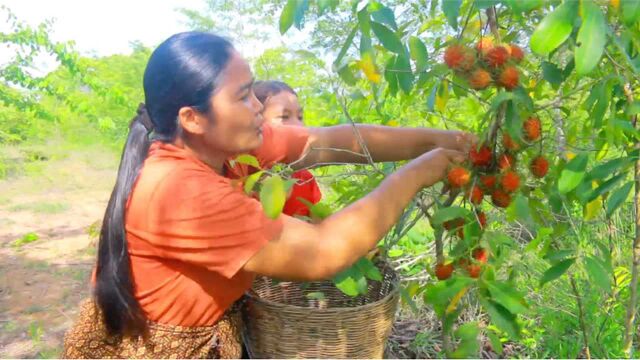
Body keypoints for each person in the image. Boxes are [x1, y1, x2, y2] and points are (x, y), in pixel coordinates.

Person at [62, 31, 474, 359]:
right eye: (242, 96)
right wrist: (422, 171)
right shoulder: (179, 191)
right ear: (192, 118)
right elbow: (322, 251)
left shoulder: (224, 147)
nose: (258, 105)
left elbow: (329, 141)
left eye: (253, 90)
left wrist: (449, 140)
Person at [253, 80, 321, 218]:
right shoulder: (241, 177)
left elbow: (319, 226)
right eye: (284, 117)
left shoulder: (304, 179)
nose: (298, 126)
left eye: (300, 117)